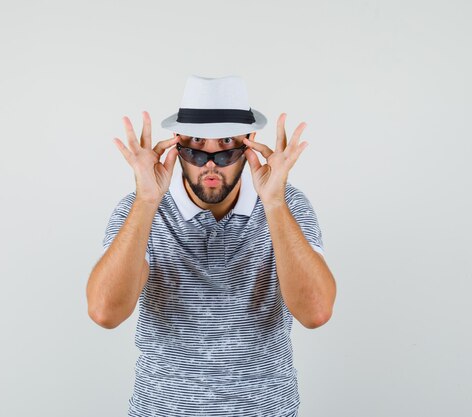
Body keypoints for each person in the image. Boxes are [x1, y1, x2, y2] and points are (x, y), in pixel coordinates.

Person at [86, 75, 337, 417]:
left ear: (249, 145)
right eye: (195, 147)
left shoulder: (286, 205)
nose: (209, 164)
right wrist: (146, 200)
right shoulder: (141, 209)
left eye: (226, 148)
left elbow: (316, 312)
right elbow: (105, 312)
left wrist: (275, 202)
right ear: (176, 146)